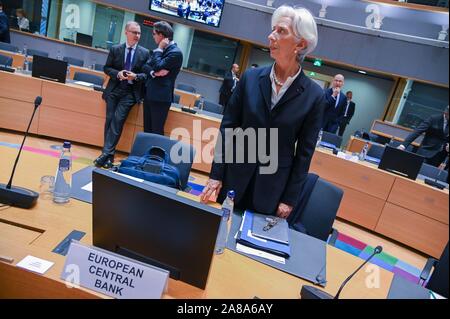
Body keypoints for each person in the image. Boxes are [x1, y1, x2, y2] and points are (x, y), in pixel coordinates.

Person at [200, 5, 326, 219]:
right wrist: (216, 174)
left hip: (273, 188)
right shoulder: (250, 78)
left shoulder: (314, 95)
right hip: (234, 176)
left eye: (281, 31)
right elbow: (227, 130)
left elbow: (304, 153)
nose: (271, 36)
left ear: (301, 44)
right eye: (273, 29)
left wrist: (290, 198)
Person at [93, 21, 150, 169]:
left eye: (139, 33)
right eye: (134, 32)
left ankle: (105, 154)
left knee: (117, 121)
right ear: (126, 32)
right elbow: (107, 68)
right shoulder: (115, 49)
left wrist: (135, 76)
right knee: (110, 120)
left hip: (130, 93)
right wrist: (118, 74)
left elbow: (146, 75)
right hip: (114, 90)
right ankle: (108, 155)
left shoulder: (144, 53)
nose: (137, 35)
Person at [142, 21, 183, 135]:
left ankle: (156, 154)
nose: (153, 36)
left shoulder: (175, 53)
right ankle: (147, 153)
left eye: (154, 33)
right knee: (147, 130)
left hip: (160, 98)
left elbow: (157, 66)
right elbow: (145, 66)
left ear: (161, 35)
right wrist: (154, 73)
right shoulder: (160, 51)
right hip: (149, 94)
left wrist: (159, 49)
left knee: (156, 131)